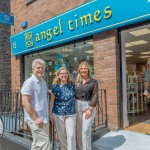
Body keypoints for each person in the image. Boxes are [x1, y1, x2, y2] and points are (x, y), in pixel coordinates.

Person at [21, 59, 52, 150]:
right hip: (34, 119)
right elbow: (25, 102)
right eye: (38, 68)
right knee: (46, 143)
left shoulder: (43, 82)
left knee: (37, 144)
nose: (41, 70)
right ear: (33, 69)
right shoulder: (29, 82)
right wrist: (36, 118)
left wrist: (54, 91)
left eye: (42, 68)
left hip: (43, 118)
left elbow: (46, 92)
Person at [50, 67, 76, 150]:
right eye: (61, 73)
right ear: (58, 75)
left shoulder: (72, 85)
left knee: (71, 135)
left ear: (68, 75)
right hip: (58, 113)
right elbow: (52, 101)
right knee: (61, 135)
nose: (63, 75)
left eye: (65, 73)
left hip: (71, 113)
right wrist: (50, 114)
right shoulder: (55, 87)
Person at [75, 62, 99, 150]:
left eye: (85, 68)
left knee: (85, 130)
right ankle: (81, 148)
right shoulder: (77, 81)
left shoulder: (93, 81)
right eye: (81, 68)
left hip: (88, 106)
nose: (83, 70)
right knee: (79, 130)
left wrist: (90, 109)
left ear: (88, 69)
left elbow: (95, 95)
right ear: (79, 70)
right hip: (77, 105)